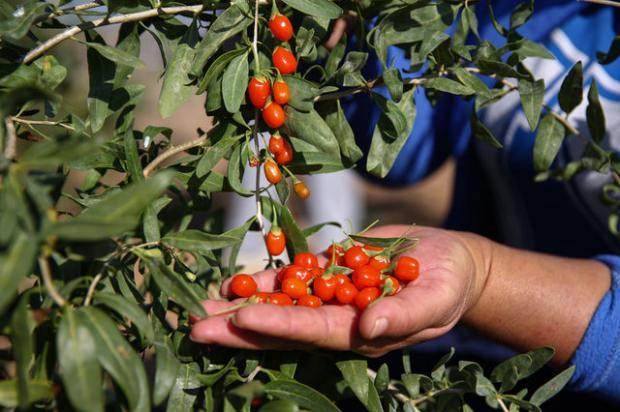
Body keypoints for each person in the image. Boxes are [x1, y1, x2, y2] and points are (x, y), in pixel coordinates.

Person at [191, 1, 620, 403]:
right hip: (458, 365)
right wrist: (353, 31)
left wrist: (485, 279)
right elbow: (400, 154)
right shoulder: (517, 8)